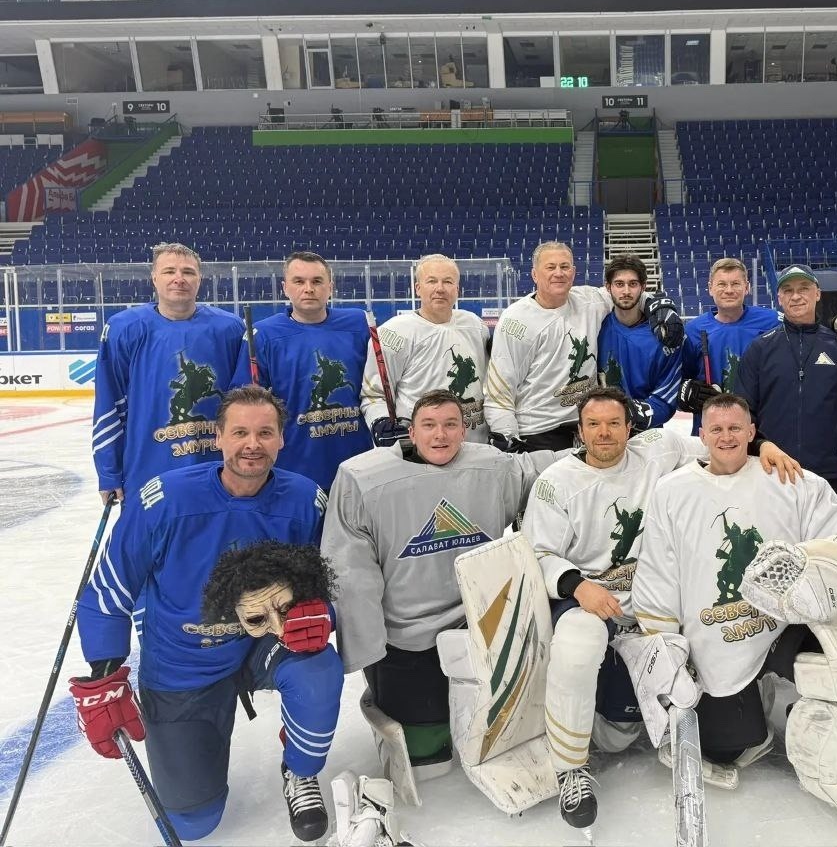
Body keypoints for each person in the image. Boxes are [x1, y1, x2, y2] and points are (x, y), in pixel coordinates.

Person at [629, 393, 837, 832]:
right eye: (716, 429)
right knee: (727, 748)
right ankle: (749, 707)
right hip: (715, 641)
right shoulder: (672, 492)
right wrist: (666, 648)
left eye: (735, 428)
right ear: (701, 434)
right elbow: (657, 574)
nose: (726, 437)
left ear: (752, 431)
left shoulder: (787, 477)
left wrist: (832, 566)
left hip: (787, 622)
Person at [520, 387, 799, 831]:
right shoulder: (555, 483)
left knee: (624, 736)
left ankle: (629, 708)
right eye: (594, 424)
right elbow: (537, 551)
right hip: (593, 603)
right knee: (579, 645)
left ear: (630, 427)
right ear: (580, 431)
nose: (604, 433)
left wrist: (763, 444)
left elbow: (719, 443)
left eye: (614, 423)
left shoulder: (657, 449)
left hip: (656, 607)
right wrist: (577, 585)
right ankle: (570, 766)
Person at [71, 385, 341, 842]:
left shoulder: (305, 500)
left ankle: (300, 771)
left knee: (318, 669)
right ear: (217, 437)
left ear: (281, 439)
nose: (252, 444)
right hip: (184, 661)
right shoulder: (165, 501)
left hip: (263, 641)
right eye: (239, 432)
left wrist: (322, 613)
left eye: (264, 433)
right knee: (193, 822)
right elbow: (109, 589)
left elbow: (334, 581)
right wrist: (104, 671)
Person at [322, 389, 562, 802]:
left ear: (464, 431)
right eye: (429, 426)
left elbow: (542, 468)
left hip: (480, 627)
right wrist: (367, 647)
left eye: (451, 425)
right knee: (430, 764)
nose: (440, 435)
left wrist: (602, 447)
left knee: (492, 728)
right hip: (408, 640)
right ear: (411, 432)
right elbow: (348, 568)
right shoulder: (362, 479)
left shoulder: (491, 466)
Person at [485, 241, 683, 451]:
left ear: (573, 272)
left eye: (564, 266)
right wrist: (507, 436)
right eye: (551, 267)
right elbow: (499, 392)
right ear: (534, 274)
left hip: (585, 427)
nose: (559, 273)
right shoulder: (515, 321)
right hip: (537, 432)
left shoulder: (589, 301)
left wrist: (659, 307)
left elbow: (627, 294)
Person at [92, 242, 244, 503]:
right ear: (154, 278)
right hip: (147, 471)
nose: (179, 279)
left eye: (188, 272)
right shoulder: (123, 328)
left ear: (199, 279)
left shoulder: (230, 328)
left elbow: (245, 402)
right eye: (169, 271)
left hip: (219, 469)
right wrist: (109, 473)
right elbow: (109, 403)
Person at [232, 251, 369, 491]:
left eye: (317, 281)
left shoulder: (359, 323)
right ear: (285, 288)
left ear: (330, 287)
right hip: (296, 468)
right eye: (299, 281)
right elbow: (245, 402)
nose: (308, 289)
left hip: (359, 464)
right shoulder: (263, 335)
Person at [736, 263, 837, 498]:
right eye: (788, 290)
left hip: (828, 472)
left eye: (804, 288)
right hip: (772, 469)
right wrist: (757, 447)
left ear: (817, 293)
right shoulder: (760, 349)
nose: (796, 296)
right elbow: (742, 411)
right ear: (779, 298)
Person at [360, 253, 489, 447]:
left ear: (457, 289)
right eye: (432, 281)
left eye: (448, 282)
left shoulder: (476, 326)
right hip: (421, 450)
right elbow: (374, 394)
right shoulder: (393, 333)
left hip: (475, 445)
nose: (440, 288)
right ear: (418, 288)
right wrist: (380, 420)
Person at [677, 256, 779, 434]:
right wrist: (686, 392)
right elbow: (679, 380)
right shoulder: (693, 330)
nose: (729, 290)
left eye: (736, 284)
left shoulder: (773, 321)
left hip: (761, 430)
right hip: (711, 431)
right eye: (722, 284)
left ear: (747, 287)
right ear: (710, 288)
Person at [596, 255, 681, 430]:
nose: (626, 291)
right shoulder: (596, 327)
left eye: (633, 284)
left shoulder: (663, 335)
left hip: (646, 430)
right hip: (602, 426)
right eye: (619, 284)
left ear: (643, 287)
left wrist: (634, 413)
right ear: (608, 287)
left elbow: (667, 397)